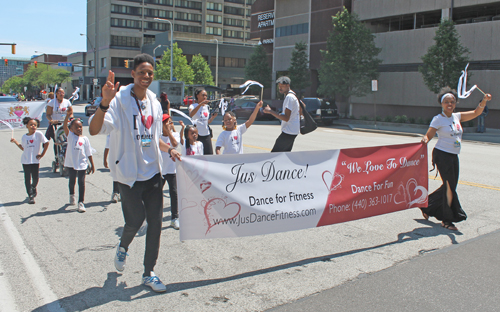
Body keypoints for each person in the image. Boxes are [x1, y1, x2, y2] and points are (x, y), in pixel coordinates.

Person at [88, 53, 181, 293]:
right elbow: (95, 128)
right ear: (133, 74)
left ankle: (149, 272)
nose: (146, 77)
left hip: (152, 174)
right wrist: (104, 103)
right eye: (141, 72)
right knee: (134, 221)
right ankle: (123, 245)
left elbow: (153, 137)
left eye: (150, 73)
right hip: (128, 176)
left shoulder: (154, 101)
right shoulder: (118, 100)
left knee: (156, 225)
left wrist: (169, 149)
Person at [420, 87, 491, 231]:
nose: (449, 104)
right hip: (442, 155)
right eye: (446, 102)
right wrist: (425, 139)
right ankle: (447, 220)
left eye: (452, 101)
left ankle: (426, 205)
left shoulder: (457, 117)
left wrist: (484, 100)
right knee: (450, 187)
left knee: (450, 186)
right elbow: (429, 134)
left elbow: (477, 112)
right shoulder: (438, 119)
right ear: (441, 103)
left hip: (453, 155)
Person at [10, 117, 49, 204]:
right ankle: (30, 195)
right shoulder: (24, 137)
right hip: (26, 160)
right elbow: (23, 148)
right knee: (27, 178)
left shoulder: (39, 134)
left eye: (35, 125)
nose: (33, 126)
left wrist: (42, 154)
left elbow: (46, 143)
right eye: (31, 125)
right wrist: (15, 142)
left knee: (35, 178)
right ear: (27, 126)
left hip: (35, 160)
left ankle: (33, 187)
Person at [63, 107, 95, 213]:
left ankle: (81, 202)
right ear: (71, 129)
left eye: (80, 127)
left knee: (81, 183)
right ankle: (71, 194)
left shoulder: (85, 139)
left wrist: (92, 164)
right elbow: (64, 126)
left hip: (82, 163)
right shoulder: (70, 136)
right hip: (72, 163)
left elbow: (88, 152)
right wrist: (67, 115)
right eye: (76, 127)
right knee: (72, 181)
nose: (79, 129)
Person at [263, 76, 300, 152]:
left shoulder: (289, 97)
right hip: (293, 130)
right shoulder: (293, 95)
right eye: (279, 86)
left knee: (274, 154)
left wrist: (270, 111)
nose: (280, 88)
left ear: (288, 86)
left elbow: (286, 118)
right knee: (284, 155)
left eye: (282, 86)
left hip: (289, 131)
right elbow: (302, 107)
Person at [160, 114, 184, 230]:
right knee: (155, 195)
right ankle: (152, 217)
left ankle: (174, 218)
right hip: (159, 170)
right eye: (166, 123)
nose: (168, 124)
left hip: (171, 170)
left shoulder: (174, 135)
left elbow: (174, 145)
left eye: (170, 122)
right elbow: (146, 146)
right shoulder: (157, 136)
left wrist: (169, 132)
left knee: (174, 193)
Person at [45, 88, 73, 162]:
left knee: (68, 140)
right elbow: (48, 114)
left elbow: (71, 113)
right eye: (60, 92)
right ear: (56, 94)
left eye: (63, 92)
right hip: (56, 124)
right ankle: (57, 157)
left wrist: (71, 118)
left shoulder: (67, 102)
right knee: (57, 140)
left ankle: (68, 156)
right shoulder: (51, 102)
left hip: (66, 123)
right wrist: (51, 120)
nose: (61, 94)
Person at [188, 88, 217, 155]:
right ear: (197, 95)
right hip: (197, 135)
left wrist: (212, 117)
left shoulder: (207, 107)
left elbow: (207, 122)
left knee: (209, 154)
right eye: (203, 95)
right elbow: (191, 114)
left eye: (206, 95)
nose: (205, 97)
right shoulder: (193, 106)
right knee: (198, 154)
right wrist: (200, 104)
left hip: (206, 134)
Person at [104, 134, 120, 203]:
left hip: (127, 157)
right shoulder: (111, 134)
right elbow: (107, 147)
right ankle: (115, 192)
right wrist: (105, 160)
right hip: (115, 158)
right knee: (116, 175)